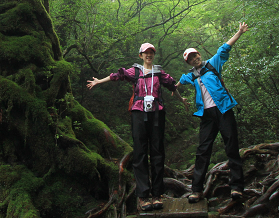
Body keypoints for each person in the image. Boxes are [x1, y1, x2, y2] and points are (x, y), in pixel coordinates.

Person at [87, 43, 188, 211]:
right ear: (140, 55)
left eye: (151, 52)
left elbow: (171, 86)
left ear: (153, 55)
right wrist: (99, 81)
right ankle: (143, 195)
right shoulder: (134, 72)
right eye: (145, 53)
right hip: (139, 114)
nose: (148, 55)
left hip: (156, 114)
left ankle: (157, 194)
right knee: (140, 152)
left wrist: (181, 100)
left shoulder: (159, 72)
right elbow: (116, 76)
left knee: (157, 152)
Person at [177, 22, 249, 203]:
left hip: (224, 110)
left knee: (231, 147)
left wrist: (239, 33)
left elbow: (225, 48)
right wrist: (175, 89)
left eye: (195, 56)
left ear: (199, 55)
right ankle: (196, 190)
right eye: (191, 59)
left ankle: (237, 188)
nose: (195, 59)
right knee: (203, 151)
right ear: (188, 62)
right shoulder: (191, 75)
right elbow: (179, 81)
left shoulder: (212, 64)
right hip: (206, 115)